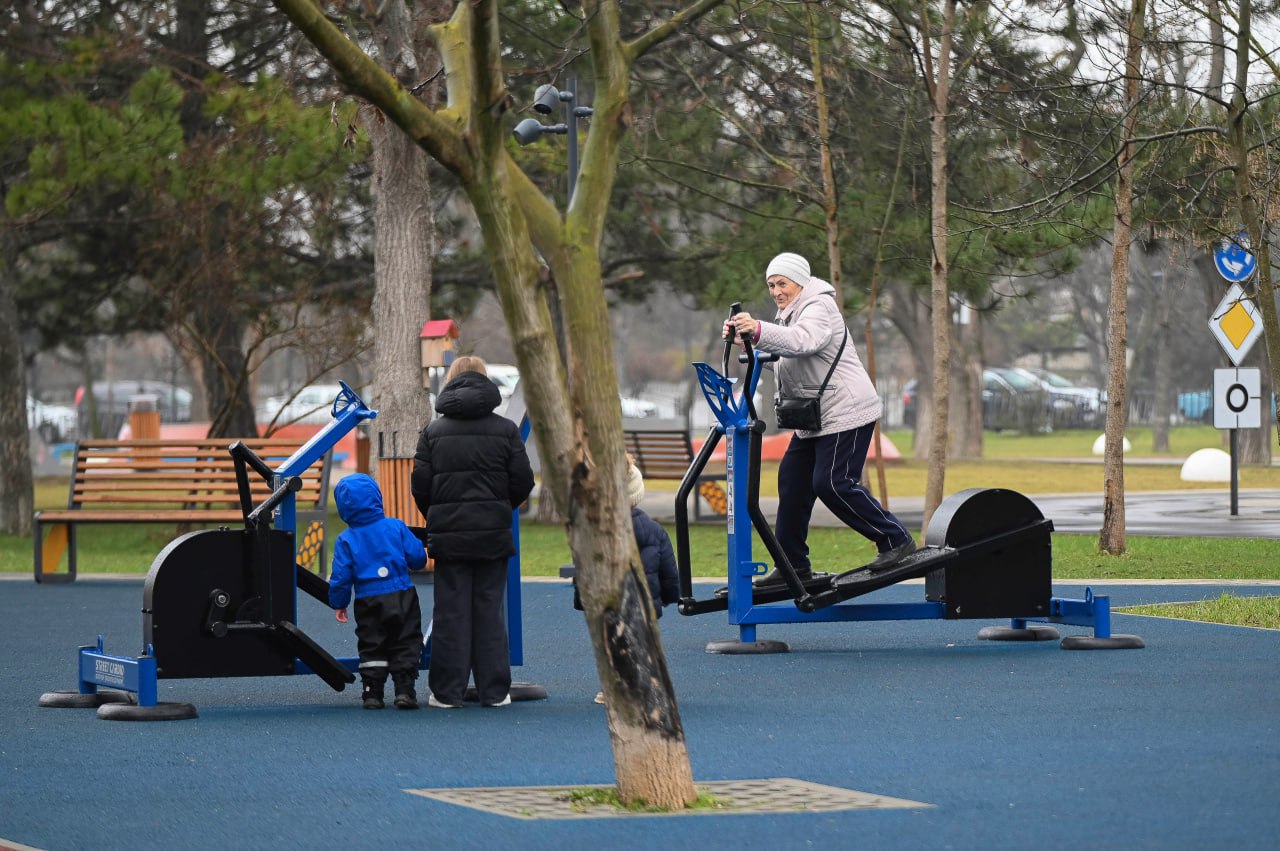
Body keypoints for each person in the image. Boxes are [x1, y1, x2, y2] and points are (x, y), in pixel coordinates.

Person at [723, 252, 916, 585]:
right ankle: (792, 566)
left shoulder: (819, 307)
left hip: (846, 410)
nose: (776, 291)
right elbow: (787, 360)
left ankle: (897, 541)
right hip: (815, 418)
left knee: (832, 483)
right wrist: (748, 341)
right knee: (792, 483)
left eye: (782, 283)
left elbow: (804, 342)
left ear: (800, 280)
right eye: (771, 285)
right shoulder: (788, 314)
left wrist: (757, 329)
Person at [411, 356, 535, 709]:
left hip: (450, 536)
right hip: (492, 533)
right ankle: (495, 692)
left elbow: (420, 486)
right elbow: (522, 481)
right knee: (488, 610)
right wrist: (499, 508)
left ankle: (447, 692)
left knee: (450, 611)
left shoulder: (433, 432)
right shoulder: (506, 430)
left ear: (450, 382)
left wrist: (439, 516)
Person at [578, 459, 680, 704]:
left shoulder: (593, 529)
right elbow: (668, 570)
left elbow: (584, 568)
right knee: (644, 645)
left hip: (607, 601)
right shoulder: (654, 531)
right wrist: (669, 596)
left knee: (611, 644)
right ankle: (648, 686)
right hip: (644, 601)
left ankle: (611, 688)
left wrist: (583, 597)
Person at [328, 473, 428, 710]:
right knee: (405, 638)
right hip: (401, 594)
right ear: (376, 497)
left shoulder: (346, 539)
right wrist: (419, 559)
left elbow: (341, 576)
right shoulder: (395, 527)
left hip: (367, 599)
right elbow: (417, 557)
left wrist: (339, 602)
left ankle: (372, 691)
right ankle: (405, 689)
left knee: (372, 641)